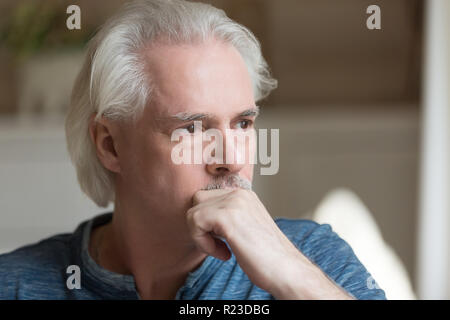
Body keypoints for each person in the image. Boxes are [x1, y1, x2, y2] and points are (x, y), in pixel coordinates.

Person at [0, 0, 386, 300]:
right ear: (110, 145)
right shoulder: (16, 284)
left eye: (243, 124)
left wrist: (292, 276)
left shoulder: (314, 257)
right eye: (193, 128)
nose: (232, 160)